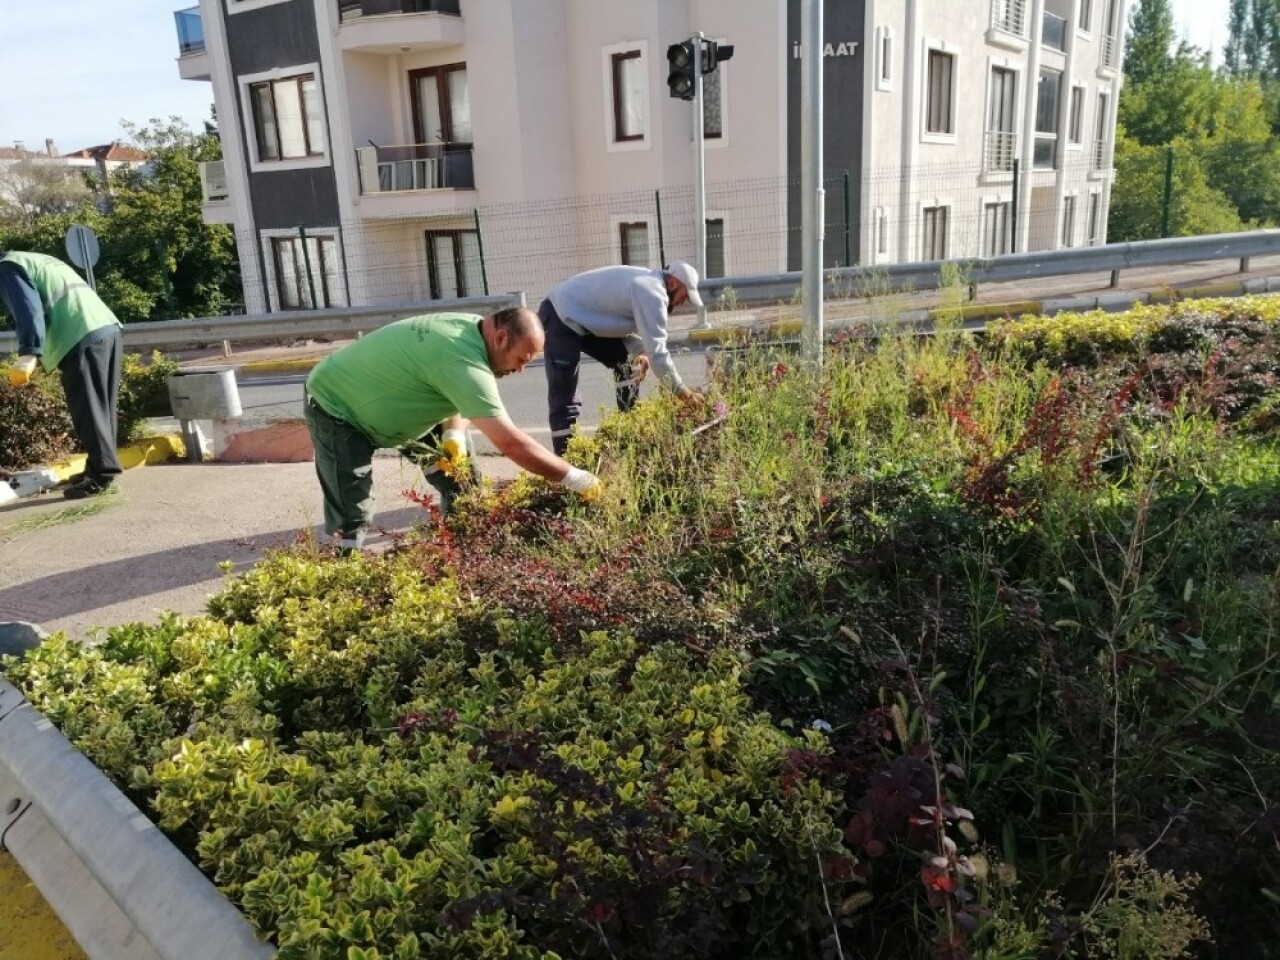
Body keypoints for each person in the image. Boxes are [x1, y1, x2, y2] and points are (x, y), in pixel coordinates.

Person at [303, 306, 600, 552]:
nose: (520, 369)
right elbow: (511, 443)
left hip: (402, 401)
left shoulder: (473, 329)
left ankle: (463, 553)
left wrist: (453, 434)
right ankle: (345, 571)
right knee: (353, 511)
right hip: (339, 406)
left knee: (463, 484)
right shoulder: (463, 359)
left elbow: (455, 391)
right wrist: (575, 478)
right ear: (501, 337)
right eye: (521, 359)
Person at [540, 260, 704, 455]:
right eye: (685, 295)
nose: (683, 302)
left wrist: (640, 353)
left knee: (628, 365)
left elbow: (617, 323)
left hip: (583, 320)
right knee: (565, 394)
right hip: (560, 315)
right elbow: (658, 354)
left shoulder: (647, 283)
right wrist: (684, 393)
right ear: (674, 284)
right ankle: (566, 461)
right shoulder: (653, 292)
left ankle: (628, 432)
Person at [0, 251, 124, 499]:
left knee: (87, 410)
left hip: (78, 335)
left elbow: (28, 309)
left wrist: (29, 353)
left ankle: (102, 475)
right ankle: (97, 467)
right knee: (101, 408)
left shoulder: (7, 268)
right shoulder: (31, 258)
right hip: (104, 327)